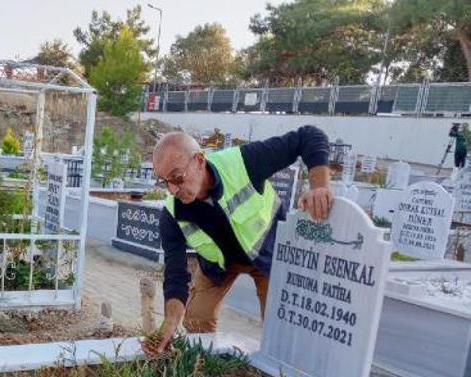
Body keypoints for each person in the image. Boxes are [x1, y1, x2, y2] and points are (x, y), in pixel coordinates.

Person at [142, 129, 333, 355]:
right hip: (218, 265)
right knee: (195, 321)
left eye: (177, 177)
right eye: (165, 182)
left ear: (200, 160)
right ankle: (203, 367)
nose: (173, 190)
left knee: (281, 326)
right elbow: (175, 272)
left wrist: (319, 186)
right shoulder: (172, 214)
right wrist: (171, 321)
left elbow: (309, 136)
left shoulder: (245, 162)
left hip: (267, 253)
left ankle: (283, 374)